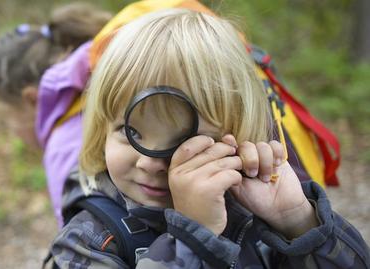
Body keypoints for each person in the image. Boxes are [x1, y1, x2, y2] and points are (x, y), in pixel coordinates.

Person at [48, 8, 370, 268]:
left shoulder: (259, 219)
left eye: (183, 141)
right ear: (101, 129)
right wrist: (193, 236)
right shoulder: (88, 241)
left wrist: (299, 222)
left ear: (237, 136)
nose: (148, 162)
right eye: (129, 131)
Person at [0, 2, 111, 147]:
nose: (14, 134)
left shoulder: (64, 148)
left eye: (7, 120)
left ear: (32, 99)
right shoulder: (100, 102)